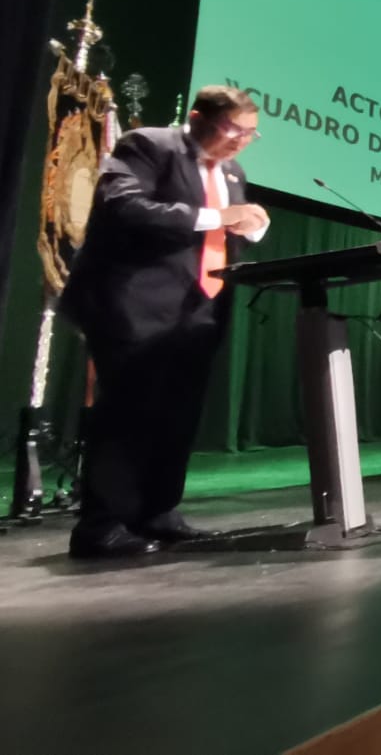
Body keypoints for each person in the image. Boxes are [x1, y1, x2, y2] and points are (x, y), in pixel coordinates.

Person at [61, 85, 271, 558]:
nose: (240, 141)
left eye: (250, 135)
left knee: (178, 415)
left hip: (198, 309)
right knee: (128, 414)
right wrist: (217, 215)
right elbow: (124, 206)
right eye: (233, 129)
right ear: (198, 118)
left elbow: (220, 233)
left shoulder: (233, 171)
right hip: (136, 305)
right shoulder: (148, 145)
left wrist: (251, 227)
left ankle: (158, 512)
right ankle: (102, 526)